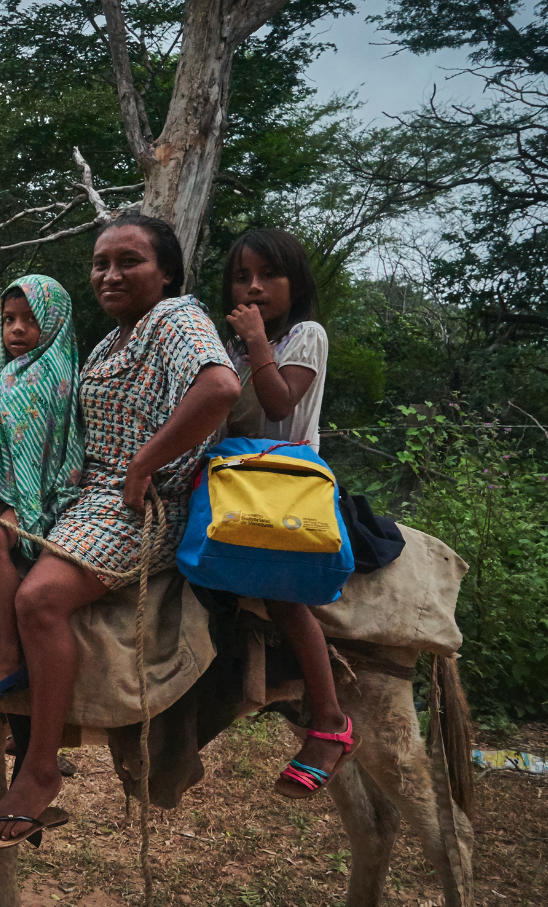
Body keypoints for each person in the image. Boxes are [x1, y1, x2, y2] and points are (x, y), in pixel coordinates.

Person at [0, 213, 241, 845]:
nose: (110, 274)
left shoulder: (175, 321)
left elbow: (220, 387)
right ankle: (20, 718)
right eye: (101, 264)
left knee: (39, 600)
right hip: (86, 494)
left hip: (141, 505)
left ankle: (40, 772)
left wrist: (145, 463)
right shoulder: (106, 344)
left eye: (129, 261)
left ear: (167, 272)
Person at [221, 227, 356, 798]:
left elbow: (278, 402)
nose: (253, 289)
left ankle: (329, 719)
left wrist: (256, 342)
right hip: (234, 477)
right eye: (242, 277)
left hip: (285, 484)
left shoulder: (306, 335)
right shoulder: (224, 346)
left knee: (281, 590)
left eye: (268, 276)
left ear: (294, 283)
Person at [0, 276, 84, 708]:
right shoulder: (11, 372)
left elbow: (46, 457)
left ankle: (10, 653)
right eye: (9, 319)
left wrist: (20, 508)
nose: (16, 330)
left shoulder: (49, 377)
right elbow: (8, 447)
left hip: (49, 497)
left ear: (55, 322)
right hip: (16, 491)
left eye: (30, 320)